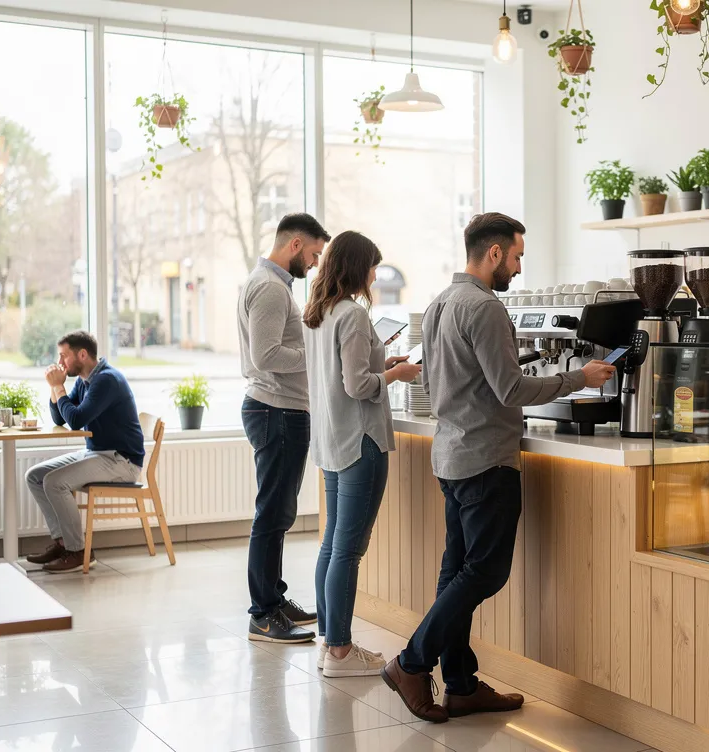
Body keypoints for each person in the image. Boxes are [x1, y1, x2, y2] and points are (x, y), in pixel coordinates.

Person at [379, 212, 617, 723]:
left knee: (457, 573)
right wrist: (580, 377)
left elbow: (470, 379)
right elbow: (510, 390)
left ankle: (461, 685)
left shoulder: (440, 303)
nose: (517, 267)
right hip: (487, 459)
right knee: (485, 572)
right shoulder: (484, 308)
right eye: (516, 257)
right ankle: (411, 663)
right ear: (493, 254)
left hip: (452, 455)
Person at [303, 230, 422, 676]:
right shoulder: (352, 314)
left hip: (333, 442)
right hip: (361, 441)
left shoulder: (317, 313)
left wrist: (384, 365)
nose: (375, 274)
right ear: (358, 267)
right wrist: (398, 374)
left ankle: (329, 643)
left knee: (333, 544)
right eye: (372, 265)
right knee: (348, 550)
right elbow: (357, 386)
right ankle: (340, 651)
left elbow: (339, 377)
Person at [239, 212, 331, 644]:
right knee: (272, 514)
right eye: (313, 254)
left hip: (278, 409)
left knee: (278, 512)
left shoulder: (269, 284)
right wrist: (315, 355)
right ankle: (262, 614)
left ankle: (273, 600)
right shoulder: (271, 288)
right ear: (295, 245)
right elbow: (266, 355)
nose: (314, 263)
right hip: (276, 410)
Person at [25, 330, 145, 573]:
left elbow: (77, 420)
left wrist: (58, 386)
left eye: (63, 356)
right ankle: (63, 543)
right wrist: (54, 388)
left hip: (122, 460)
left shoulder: (107, 380)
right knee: (36, 476)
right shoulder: (84, 380)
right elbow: (61, 417)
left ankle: (79, 551)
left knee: (55, 482)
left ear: (82, 354)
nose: (60, 363)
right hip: (98, 453)